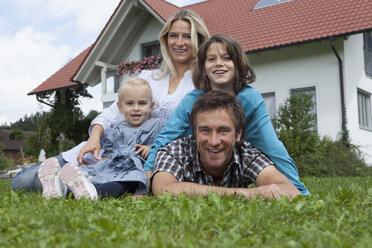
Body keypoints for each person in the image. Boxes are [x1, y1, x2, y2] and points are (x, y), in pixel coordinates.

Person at [11, 9, 210, 193]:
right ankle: (57, 181)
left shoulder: (202, 86)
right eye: (173, 36)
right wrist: (94, 138)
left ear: (199, 41)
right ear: (166, 40)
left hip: (142, 158)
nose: (180, 43)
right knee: (21, 182)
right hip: (110, 146)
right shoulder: (149, 77)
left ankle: (62, 185)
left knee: (96, 181)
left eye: (187, 37)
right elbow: (113, 113)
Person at [145, 34, 309, 195]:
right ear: (203, 67)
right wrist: (147, 176)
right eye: (211, 59)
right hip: (195, 158)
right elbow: (166, 138)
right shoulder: (191, 101)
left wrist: (297, 189)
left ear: (237, 64)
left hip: (230, 154)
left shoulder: (250, 99)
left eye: (226, 58)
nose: (218, 64)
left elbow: (272, 146)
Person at [152, 91, 300, 200]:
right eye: (205, 130)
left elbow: (290, 190)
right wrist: (246, 194)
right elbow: (163, 190)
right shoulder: (174, 151)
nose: (214, 141)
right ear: (194, 132)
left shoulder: (246, 154)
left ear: (238, 134)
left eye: (223, 131)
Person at [38, 77, 160, 199]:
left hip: (135, 172)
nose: (136, 108)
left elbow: (165, 146)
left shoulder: (157, 126)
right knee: (92, 174)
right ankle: (59, 186)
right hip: (114, 168)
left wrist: (151, 149)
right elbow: (109, 153)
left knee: (118, 186)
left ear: (151, 105)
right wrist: (102, 162)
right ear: (120, 107)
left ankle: (82, 193)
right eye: (129, 103)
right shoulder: (116, 130)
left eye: (142, 103)